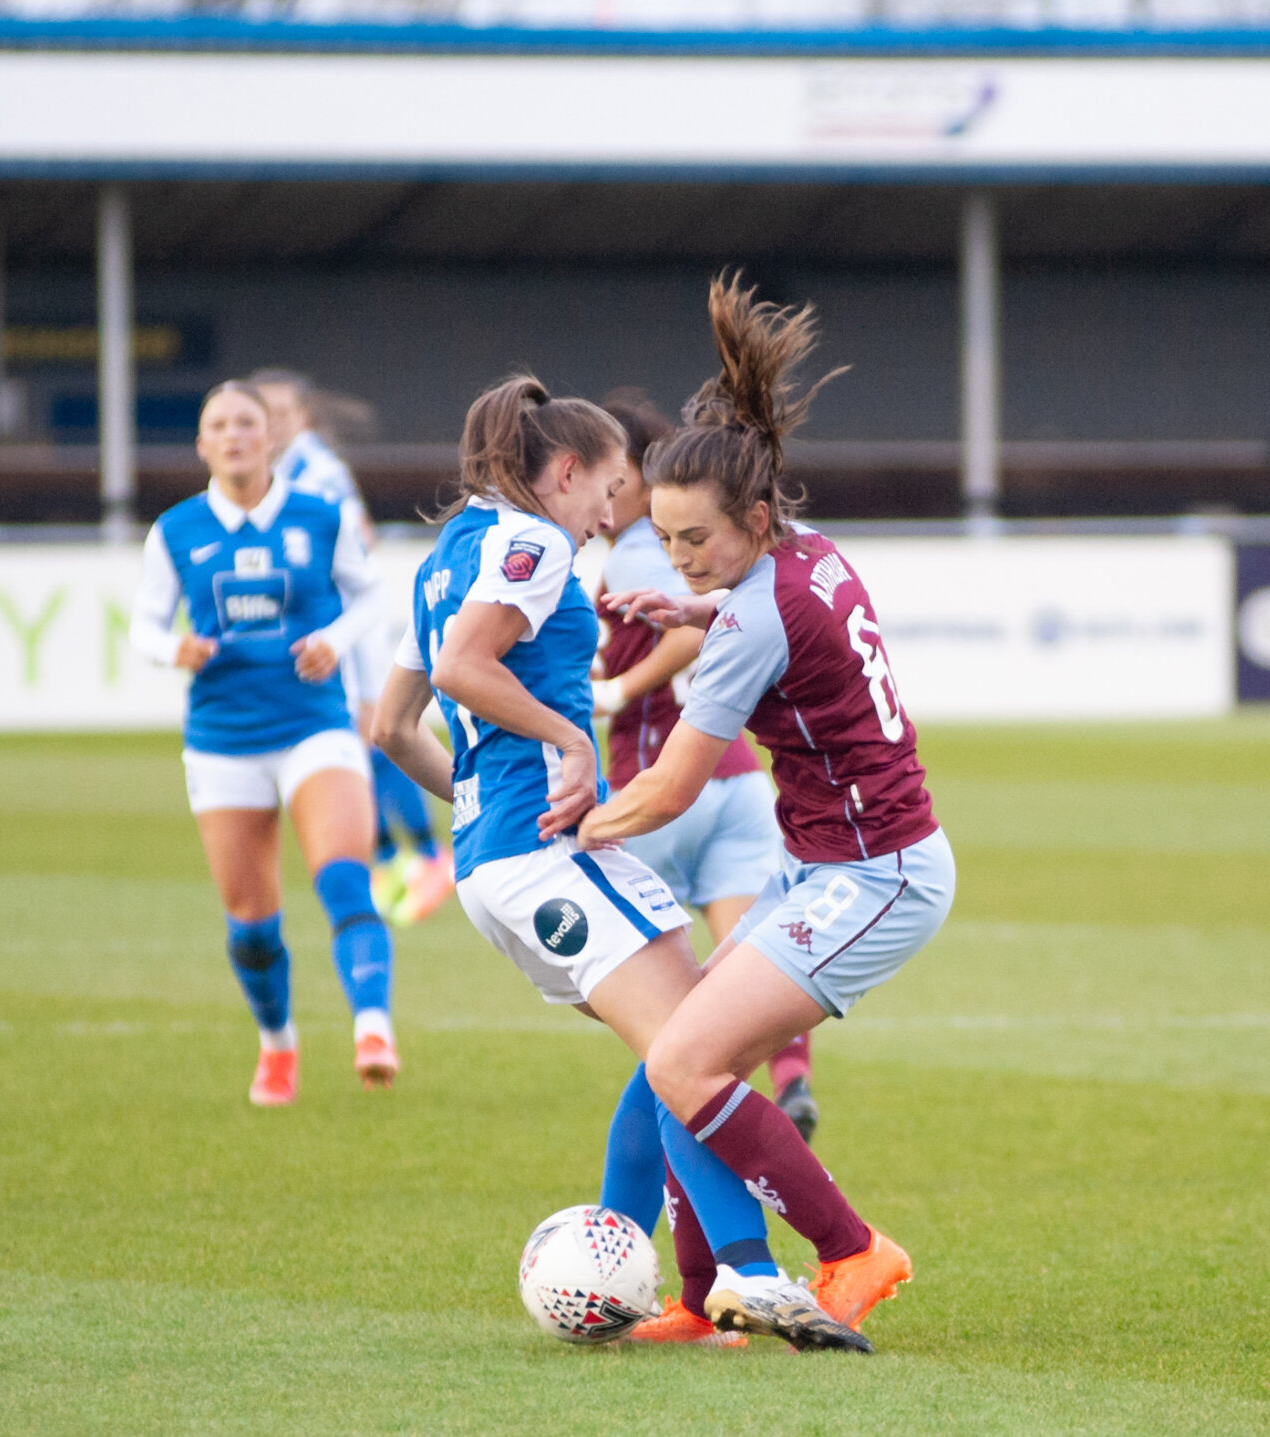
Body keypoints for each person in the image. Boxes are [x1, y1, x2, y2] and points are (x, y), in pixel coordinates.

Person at [372, 373, 869, 1352]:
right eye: (607, 492)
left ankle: (658, 1275)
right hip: (542, 855)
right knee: (695, 1050)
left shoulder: (446, 556)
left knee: (670, 1057)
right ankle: (752, 1274)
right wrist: (566, 745)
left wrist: (479, 814)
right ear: (563, 472)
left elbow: (391, 726)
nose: (611, 517)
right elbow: (466, 670)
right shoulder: (529, 543)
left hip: (495, 865)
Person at [579, 273, 957, 1345]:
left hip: (875, 876)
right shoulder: (805, 552)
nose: (678, 556)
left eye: (694, 541)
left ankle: (851, 1251)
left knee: (684, 1062)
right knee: (679, 1060)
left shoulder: (750, 623)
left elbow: (669, 784)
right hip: (830, 864)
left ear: (748, 516)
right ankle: (702, 1303)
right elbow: (762, 610)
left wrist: (565, 829)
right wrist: (694, 602)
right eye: (663, 538)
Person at [131, 379, 398, 1106]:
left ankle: (373, 1026)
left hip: (315, 724)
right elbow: (143, 626)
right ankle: (278, 1041)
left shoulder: (320, 515)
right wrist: (174, 649)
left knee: (344, 876)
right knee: (252, 925)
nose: (234, 435)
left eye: (246, 422)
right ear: (201, 443)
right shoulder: (176, 530)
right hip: (222, 740)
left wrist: (333, 640)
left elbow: (373, 595)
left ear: (269, 436)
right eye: (218, 424)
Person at [590, 393, 819, 1143]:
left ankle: (697, 1186)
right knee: (757, 969)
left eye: (600, 465)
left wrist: (617, 687)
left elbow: (703, 639)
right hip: (740, 781)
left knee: (667, 1032)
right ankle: (790, 1083)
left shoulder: (634, 550)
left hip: (658, 779)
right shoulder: (785, 554)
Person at [250, 366, 454, 928]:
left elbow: (353, 542)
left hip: (344, 627)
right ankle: (396, 856)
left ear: (302, 417)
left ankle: (424, 854)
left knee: (376, 734)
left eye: (281, 414)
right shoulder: (283, 470)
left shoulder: (318, 471)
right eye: (262, 416)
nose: (271, 426)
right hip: (323, 630)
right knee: (361, 742)